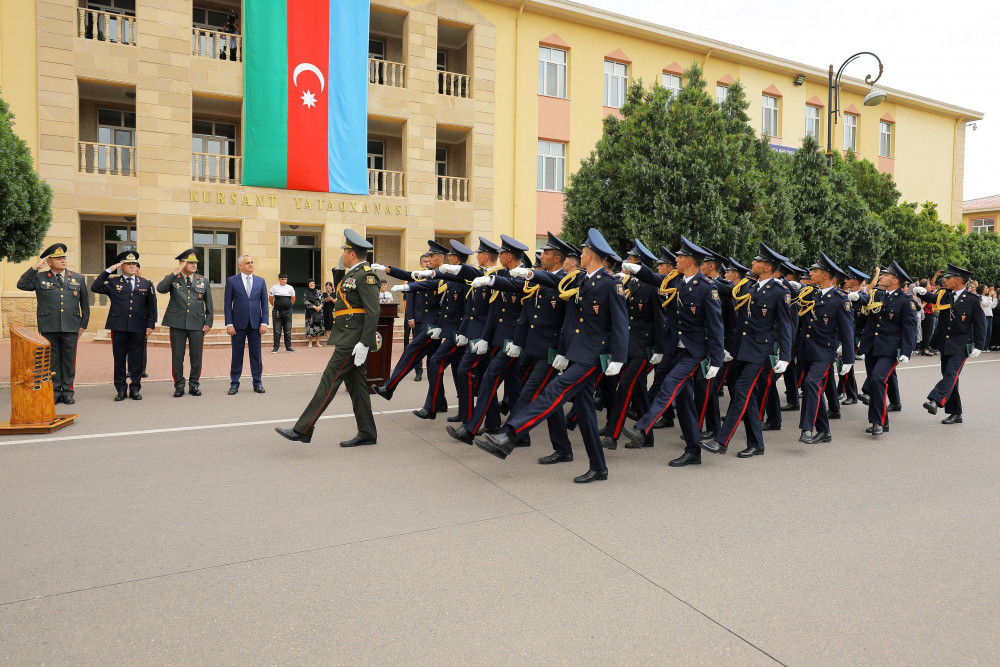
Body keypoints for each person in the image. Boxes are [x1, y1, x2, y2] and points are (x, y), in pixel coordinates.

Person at [475, 228, 628, 484]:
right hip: (578, 353)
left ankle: (510, 434)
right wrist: (532, 273)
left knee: (553, 391)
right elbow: (555, 283)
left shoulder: (611, 284)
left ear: (590, 256)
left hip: (593, 356)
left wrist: (618, 358)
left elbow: (620, 324)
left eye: (582, 252)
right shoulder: (583, 279)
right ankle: (599, 467)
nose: (579, 255)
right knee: (586, 412)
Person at [621, 237, 725, 465]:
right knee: (686, 402)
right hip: (675, 349)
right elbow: (655, 278)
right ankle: (693, 450)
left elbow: (716, 326)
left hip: (694, 352)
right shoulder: (677, 281)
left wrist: (716, 360)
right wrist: (637, 269)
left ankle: (642, 427)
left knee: (669, 384)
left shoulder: (707, 288)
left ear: (689, 261)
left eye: (678, 257)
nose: (674, 260)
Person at [275, 230, 380, 447]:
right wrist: (338, 271)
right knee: (358, 386)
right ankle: (368, 432)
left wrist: (365, 342)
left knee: (329, 380)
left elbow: (373, 311)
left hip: (353, 340)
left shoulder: (366, 276)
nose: (342, 254)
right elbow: (345, 295)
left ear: (351, 253)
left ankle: (302, 429)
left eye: (344, 251)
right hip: (348, 336)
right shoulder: (354, 273)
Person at [698, 242, 792, 459]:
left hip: (759, 351)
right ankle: (756, 444)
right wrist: (700, 277)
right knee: (744, 394)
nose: (753, 263)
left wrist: (785, 357)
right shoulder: (749, 286)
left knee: (741, 391)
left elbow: (785, 325)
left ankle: (722, 441)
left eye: (758, 261)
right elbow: (726, 288)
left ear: (768, 267)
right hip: (742, 349)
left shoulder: (780, 291)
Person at [16, 243, 91, 405]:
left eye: (64, 257)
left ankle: (68, 392)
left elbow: (85, 303)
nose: (63, 260)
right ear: (49, 262)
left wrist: (83, 324)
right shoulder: (39, 277)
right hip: (49, 325)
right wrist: (36, 267)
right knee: (53, 360)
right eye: (58, 258)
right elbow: (21, 284)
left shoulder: (77, 278)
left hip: (71, 326)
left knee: (68, 360)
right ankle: (55, 391)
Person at [913, 263, 987, 425]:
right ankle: (956, 413)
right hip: (945, 342)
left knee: (950, 374)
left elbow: (980, 323)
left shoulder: (973, 300)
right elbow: (933, 298)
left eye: (949, 278)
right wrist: (923, 293)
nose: (945, 280)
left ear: (959, 280)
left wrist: (979, 345)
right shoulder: (945, 294)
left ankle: (935, 400)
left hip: (961, 344)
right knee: (951, 377)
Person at [371, 241, 447, 397]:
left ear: (441, 258)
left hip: (436, 326)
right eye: (427, 257)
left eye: (431, 256)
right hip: (428, 323)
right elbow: (408, 275)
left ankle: (389, 387)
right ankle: (438, 402)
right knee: (434, 365)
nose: (428, 259)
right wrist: (386, 269)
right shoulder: (428, 273)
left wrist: (407, 287)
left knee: (413, 350)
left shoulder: (446, 275)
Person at [794, 253, 855, 444]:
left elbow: (847, 331)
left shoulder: (839, 299)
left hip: (824, 350)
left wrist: (848, 359)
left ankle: (807, 429)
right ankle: (824, 431)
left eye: (816, 271)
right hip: (807, 349)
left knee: (812, 384)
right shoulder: (810, 293)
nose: (811, 273)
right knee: (812, 387)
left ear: (827, 276)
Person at [851, 261, 916, 436]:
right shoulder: (877, 295)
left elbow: (909, 328)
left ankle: (877, 422)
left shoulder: (905, 301)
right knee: (874, 381)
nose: (882, 277)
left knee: (878, 380)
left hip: (890, 348)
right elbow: (867, 316)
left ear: (895, 280)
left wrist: (907, 351)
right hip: (872, 345)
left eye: (886, 275)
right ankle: (883, 421)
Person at [90, 250, 157, 401]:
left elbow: (151, 306)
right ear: (122, 266)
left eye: (134, 263)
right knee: (119, 358)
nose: (132, 266)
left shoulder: (145, 283)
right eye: (128, 264)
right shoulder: (113, 282)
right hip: (119, 326)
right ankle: (120, 389)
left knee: (137, 359)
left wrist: (150, 324)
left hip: (139, 326)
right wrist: (109, 270)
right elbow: (95, 287)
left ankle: (135, 388)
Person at [157, 249, 213, 397]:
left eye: (195, 262)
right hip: (177, 323)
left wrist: (209, 322)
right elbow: (160, 289)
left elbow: (209, 304)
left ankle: (194, 385)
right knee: (177, 356)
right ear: (182, 264)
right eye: (190, 262)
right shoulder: (173, 278)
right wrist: (175, 272)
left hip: (197, 323)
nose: (194, 265)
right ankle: (179, 385)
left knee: (196, 356)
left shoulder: (203, 280)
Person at [224, 254, 269, 394]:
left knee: (256, 355)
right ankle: (234, 383)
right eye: (247, 263)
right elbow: (227, 304)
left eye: (252, 262)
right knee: (237, 354)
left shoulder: (260, 281)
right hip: (238, 324)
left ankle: (257, 382)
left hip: (256, 324)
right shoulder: (232, 281)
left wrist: (264, 322)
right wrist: (229, 324)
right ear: (240, 266)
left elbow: (265, 304)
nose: (251, 264)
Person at [269, 273, 295, 353]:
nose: (284, 281)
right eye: (282, 279)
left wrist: (288, 305)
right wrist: (276, 306)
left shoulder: (290, 288)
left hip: (288, 311)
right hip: (277, 311)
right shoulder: (274, 288)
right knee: (277, 330)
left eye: (285, 279)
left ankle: (288, 347)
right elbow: (270, 299)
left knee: (288, 330)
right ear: (279, 279)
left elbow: (293, 299)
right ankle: (276, 347)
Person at [302, 279, 325, 347]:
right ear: (308, 285)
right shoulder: (306, 293)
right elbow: (305, 302)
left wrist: (320, 306)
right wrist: (314, 307)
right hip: (310, 312)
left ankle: (317, 343)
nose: (312, 285)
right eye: (310, 284)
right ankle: (310, 343)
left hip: (319, 312)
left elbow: (322, 300)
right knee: (309, 327)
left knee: (318, 326)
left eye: (313, 284)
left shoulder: (319, 291)